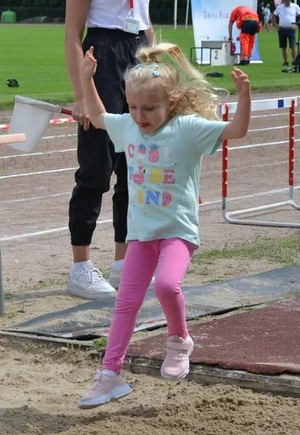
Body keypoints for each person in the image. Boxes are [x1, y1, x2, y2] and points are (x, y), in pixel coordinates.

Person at [76, 42, 251, 409]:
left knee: (168, 285)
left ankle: (179, 340)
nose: (140, 116)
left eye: (149, 109)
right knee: (126, 303)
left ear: (170, 104)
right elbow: (96, 115)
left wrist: (244, 96)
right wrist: (86, 79)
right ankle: (110, 374)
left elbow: (237, 130)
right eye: (134, 107)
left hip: (177, 232)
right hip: (141, 234)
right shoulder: (128, 128)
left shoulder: (187, 129)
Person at [64, 0, 157, 299]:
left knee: (133, 167)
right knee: (96, 168)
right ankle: (80, 267)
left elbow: (145, 17)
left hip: (137, 55)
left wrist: (158, 67)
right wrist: (82, 94)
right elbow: (71, 34)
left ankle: (123, 262)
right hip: (100, 56)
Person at [274, 0, 300, 70]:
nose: (287, 1)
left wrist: (298, 25)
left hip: (291, 29)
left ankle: (294, 61)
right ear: (284, 0)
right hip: (282, 29)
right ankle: (286, 61)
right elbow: (273, 16)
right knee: (283, 47)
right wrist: (276, 25)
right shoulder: (280, 7)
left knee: (293, 46)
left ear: (291, 0)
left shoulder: (295, 6)